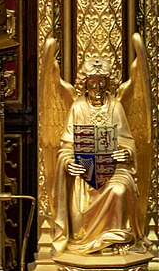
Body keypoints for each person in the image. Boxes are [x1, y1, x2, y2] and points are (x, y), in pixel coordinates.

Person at [50, 60, 142, 255]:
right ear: (85, 82)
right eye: (93, 81)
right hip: (85, 172)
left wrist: (125, 152)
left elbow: (128, 141)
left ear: (108, 83)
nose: (97, 87)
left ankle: (115, 239)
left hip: (114, 169)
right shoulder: (78, 107)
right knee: (83, 197)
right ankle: (86, 238)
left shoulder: (115, 107)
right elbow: (66, 146)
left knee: (119, 189)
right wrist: (69, 163)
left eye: (102, 82)